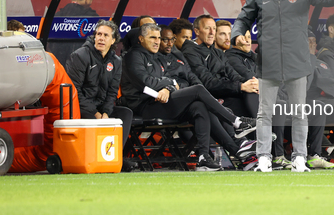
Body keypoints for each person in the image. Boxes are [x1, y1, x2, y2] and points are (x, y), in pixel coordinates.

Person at [231, 0, 334, 173]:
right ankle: (264, 157)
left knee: (299, 111)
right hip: (269, 63)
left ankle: (299, 157)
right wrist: (237, 34)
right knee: (265, 112)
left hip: (297, 62)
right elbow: (242, 19)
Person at [120, 23, 256, 171]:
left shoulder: (155, 56)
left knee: (199, 106)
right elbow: (146, 82)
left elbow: (169, 80)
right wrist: (168, 85)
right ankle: (236, 121)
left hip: (162, 103)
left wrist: (167, 86)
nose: (157, 41)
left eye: (158, 38)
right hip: (144, 107)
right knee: (197, 90)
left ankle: (206, 157)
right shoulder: (133, 56)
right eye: (153, 37)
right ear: (140, 39)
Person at [158, 24, 257, 164]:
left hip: (191, 100)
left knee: (205, 106)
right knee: (204, 98)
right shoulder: (151, 57)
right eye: (161, 39)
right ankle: (238, 132)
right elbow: (154, 81)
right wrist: (171, 85)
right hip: (163, 104)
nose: (168, 43)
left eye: (171, 39)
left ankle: (236, 150)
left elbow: (192, 79)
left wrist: (249, 83)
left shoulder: (177, 56)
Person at [65, 21, 134, 157]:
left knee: (125, 114)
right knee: (94, 119)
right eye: (98, 34)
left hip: (102, 109)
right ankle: (96, 158)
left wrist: (106, 113)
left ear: (113, 40)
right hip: (82, 107)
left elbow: (112, 92)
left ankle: (115, 157)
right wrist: (96, 114)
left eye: (106, 35)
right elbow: (74, 91)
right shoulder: (80, 56)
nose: (101, 38)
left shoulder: (116, 61)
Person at [180, 15, 260, 118]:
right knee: (244, 100)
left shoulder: (217, 52)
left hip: (228, 92)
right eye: (207, 28)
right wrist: (240, 86)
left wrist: (251, 83)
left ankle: (266, 131)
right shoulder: (190, 52)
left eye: (213, 28)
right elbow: (207, 82)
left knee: (253, 93)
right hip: (212, 98)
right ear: (197, 31)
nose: (211, 32)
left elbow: (233, 74)